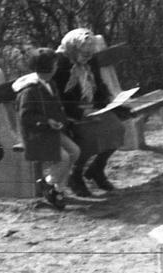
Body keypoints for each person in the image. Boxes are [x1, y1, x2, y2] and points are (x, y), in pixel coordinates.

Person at [53, 27, 128, 195]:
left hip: (92, 108)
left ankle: (97, 169)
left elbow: (99, 85)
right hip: (71, 114)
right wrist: (82, 113)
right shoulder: (60, 66)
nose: (88, 57)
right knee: (89, 136)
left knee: (117, 128)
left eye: (90, 54)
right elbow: (61, 99)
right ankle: (76, 175)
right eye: (84, 53)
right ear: (73, 50)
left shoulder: (89, 61)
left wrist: (111, 104)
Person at [16, 48, 80, 211]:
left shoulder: (50, 83)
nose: (56, 66)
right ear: (47, 68)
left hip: (51, 131)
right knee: (64, 157)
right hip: (36, 135)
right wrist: (46, 122)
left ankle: (57, 189)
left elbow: (56, 108)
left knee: (74, 151)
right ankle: (50, 185)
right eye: (54, 64)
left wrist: (60, 121)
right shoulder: (30, 90)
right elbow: (26, 117)